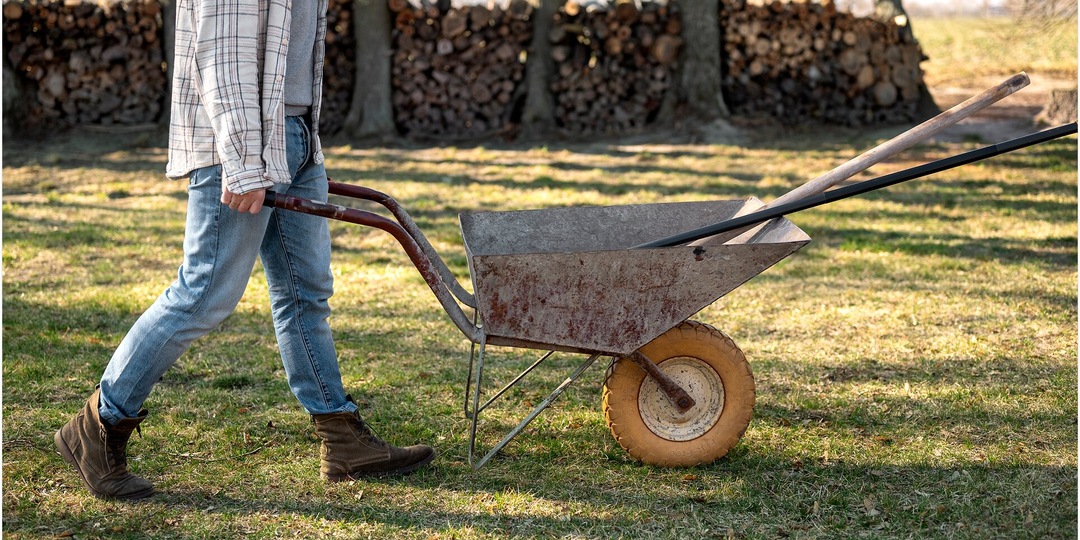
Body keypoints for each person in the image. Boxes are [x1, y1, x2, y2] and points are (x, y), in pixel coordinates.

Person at [53, 0, 434, 501]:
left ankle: (341, 436)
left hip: (295, 134)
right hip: (243, 145)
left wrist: (300, 138)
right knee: (202, 293)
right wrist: (243, 162)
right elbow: (223, 53)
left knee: (305, 293)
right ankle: (98, 425)